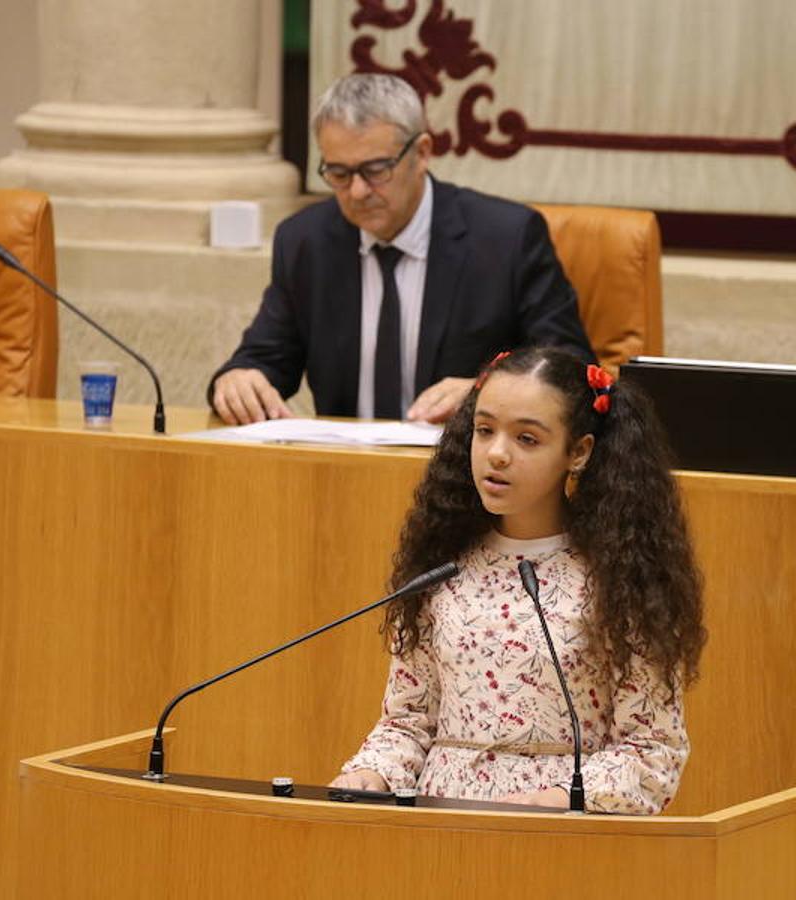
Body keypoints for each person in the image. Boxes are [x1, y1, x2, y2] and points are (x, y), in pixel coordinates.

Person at [330, 347, 706, 813]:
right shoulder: (441, 567)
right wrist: (370, 773)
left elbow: (652, 750)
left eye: (527, 439)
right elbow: (407, 724)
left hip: (557, 835)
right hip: (437, 834)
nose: (497, 454)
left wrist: (554, 799)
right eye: (484, 431)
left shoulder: (621, 579)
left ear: (579, 452)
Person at [209, 74, 594, 425]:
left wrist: (489, 392)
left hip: (469, 481)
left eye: (376, 170)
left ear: (422, 152)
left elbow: (572, 369)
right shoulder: (306, 242)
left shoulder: (506, 239)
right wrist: (238, 379)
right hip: (346, 473)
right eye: (339, 174)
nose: (357, 192)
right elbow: (263, 359)